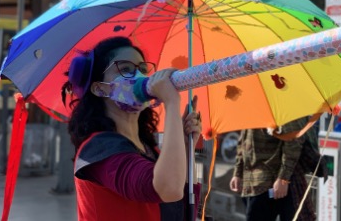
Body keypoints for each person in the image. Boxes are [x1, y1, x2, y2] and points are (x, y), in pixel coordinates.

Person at [63, 37, 201, 221]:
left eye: (143, 70)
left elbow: (181, 203)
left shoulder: (149, 148)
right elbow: (168, 189)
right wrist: (171, 102)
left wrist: (185, 147)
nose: (139, 77)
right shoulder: (97, 149)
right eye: (125, 69)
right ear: (99, 88)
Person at [229, 118, 314, 221]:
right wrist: (237, 173)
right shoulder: (251, 110)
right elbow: (243, 142)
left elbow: (294, 142)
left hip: (271, 183)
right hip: (251, 184)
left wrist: (283, 178)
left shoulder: (279, 110)